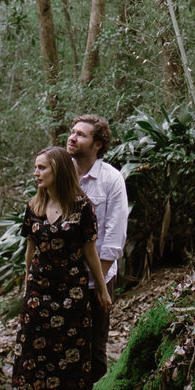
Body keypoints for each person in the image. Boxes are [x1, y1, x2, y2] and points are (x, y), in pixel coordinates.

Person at [9, 146, 112, 390]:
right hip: (40, 290)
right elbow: (30, 251)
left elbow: (90, 251)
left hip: (71, 290)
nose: (36, 173)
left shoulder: (82, 207)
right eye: (36, 167)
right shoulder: (34, 207)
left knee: (72, 352)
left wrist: (102, 290)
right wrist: (27, 286)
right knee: (36, 355)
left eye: (42, 167)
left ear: (58, 170)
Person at [65, 115, 130, 287]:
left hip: (97, 278)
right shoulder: (59, 174)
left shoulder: (111, 179)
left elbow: (115, 234)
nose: (72, 138)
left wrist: (98, 283)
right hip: (60, 280)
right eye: (72, 133)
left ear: (97, 144)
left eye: (81, 135)